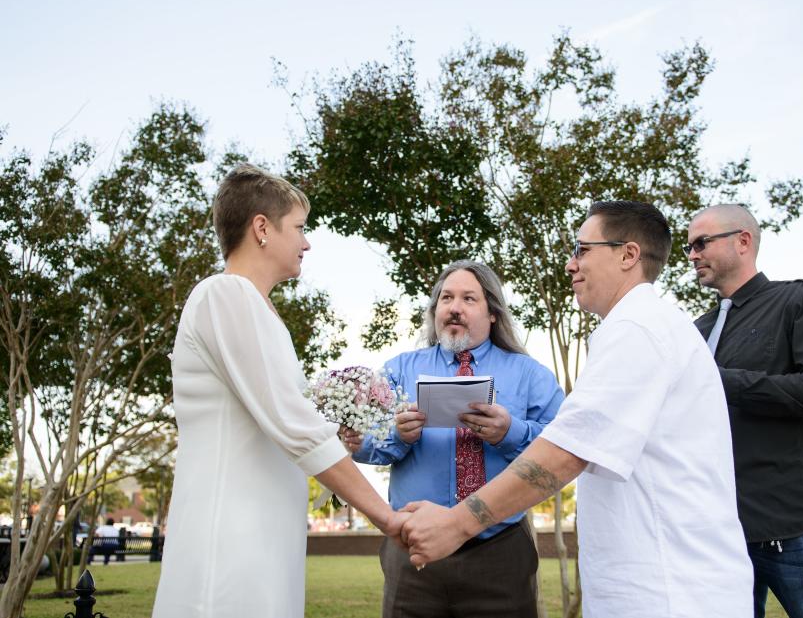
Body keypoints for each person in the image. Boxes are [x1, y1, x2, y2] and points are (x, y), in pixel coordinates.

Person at [396, 202, 753, 618]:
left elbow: (566, 452)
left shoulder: (637, 330)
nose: (571, 264)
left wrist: (457, 524)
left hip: (670, 591)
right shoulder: (637, 327)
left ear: (628, 255)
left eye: (583, 250)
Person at [152, 164, 399, 618]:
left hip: (265, 532)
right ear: (262, 228)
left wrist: (330, 432)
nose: (306, 243)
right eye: (300, 228)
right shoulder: (224, 295)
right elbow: (294, 425)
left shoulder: (257, 308)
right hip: (229, 538)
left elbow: (279, 421)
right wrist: (386, 516)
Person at [341, 259, 565, 618]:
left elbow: (562, 446)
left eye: (468, 299)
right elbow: (366, 444)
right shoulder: (400, 369)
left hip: (500, 552)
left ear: (493, 313)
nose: (454, 308)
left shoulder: (530, 374)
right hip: (414, 551)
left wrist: (511, 432)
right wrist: (398, 435)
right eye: (446, 298)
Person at [685, 204, 803, 618]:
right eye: (689, 246)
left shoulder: (797, 299)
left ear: (743, 241)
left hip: (799, 526)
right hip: (719, 534)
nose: (692, 255)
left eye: (701, 243)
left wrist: (723, 381)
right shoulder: (696, 331)